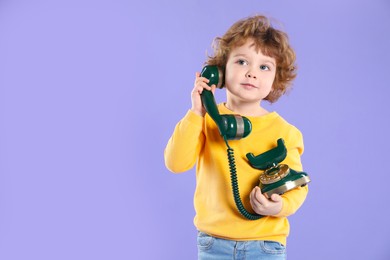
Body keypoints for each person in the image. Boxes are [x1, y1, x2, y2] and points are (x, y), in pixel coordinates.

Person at [164, 15, 308, 260]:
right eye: (242, 62)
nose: (252, 73)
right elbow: (175, 163)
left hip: (265, 244)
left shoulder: (285, 132)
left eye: (264, 67)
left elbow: (297, 185)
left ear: (275, 79)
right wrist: (197, 112)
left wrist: (280, 207)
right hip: (213, 244)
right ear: (219, 72)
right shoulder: (206, 118)